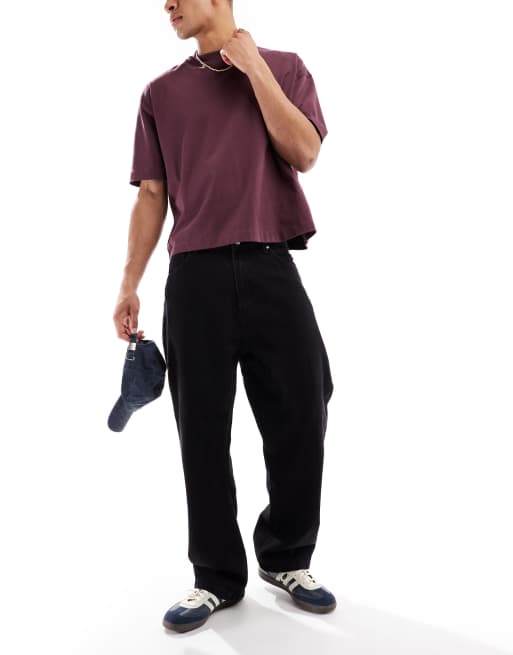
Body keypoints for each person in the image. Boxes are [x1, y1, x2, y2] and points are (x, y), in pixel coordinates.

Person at [112, 0, 336, 634]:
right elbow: (152, 195)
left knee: (305, 406)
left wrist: (252, 66)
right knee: (201, 429)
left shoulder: (285, 68)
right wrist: (129, 283)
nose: (167, 5)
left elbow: (304, 152)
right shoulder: (160, 94)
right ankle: (214, 575)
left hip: (270, 262)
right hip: (195, 278)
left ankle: (286, 556)